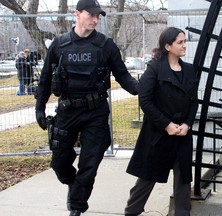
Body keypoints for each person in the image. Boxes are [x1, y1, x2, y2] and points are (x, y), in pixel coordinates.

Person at [35, 0, 139, 215]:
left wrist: (143, 89)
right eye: (91, 15)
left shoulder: (106, 45)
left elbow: (123, 76)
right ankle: (73, 184)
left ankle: (77, 206)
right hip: (67, 110)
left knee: (89, 166)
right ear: (77, 14)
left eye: (98, 16)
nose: (95, 19)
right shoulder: (59, 44)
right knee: (59, 163)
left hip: (95, 112)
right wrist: (39, 107)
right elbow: (45, 79)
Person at [124, 27, 199, 216]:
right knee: (147, 177)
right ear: (168, 46)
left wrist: (187, 124)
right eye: (180, 42)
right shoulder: (155, 68)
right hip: (159, 133)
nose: (184, 45)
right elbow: (145, 101)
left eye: (185, 41)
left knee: (183, 178)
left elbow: (194, 101)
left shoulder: (189, 70)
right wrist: (166, 125)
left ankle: (183, 213)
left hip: (182, 133)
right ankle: (132, 211)